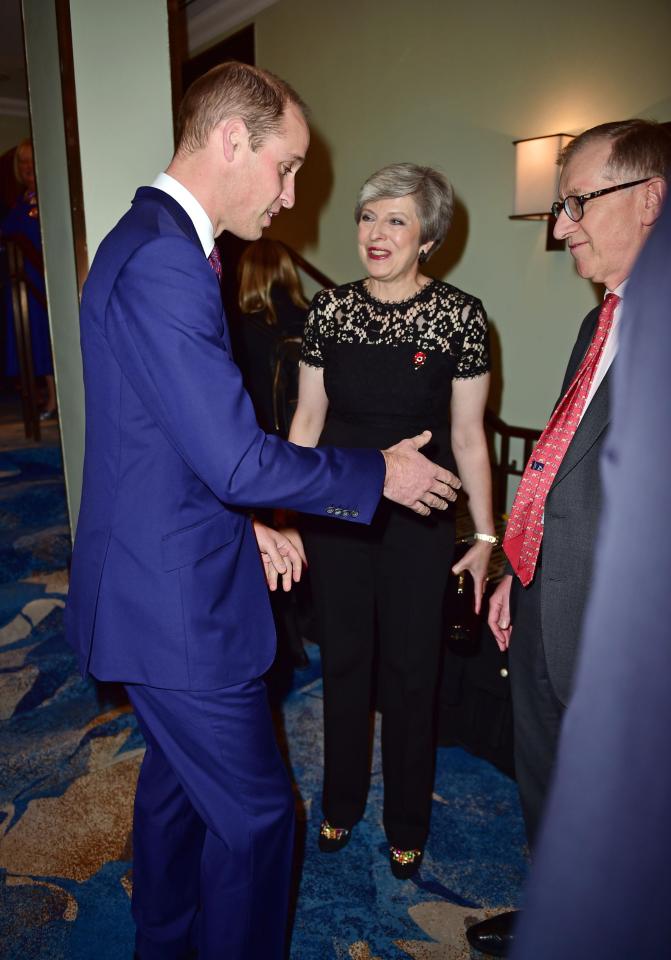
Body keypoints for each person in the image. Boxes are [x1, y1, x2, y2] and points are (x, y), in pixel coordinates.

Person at [64, 62, 461, 960]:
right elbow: (238, 452)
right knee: (256, 818)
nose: (291, 195)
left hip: (160, 570)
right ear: (231, 139)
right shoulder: (168, 255)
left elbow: (169, 434)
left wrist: (248, 516)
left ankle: (163, 940)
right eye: (286, 167)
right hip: (171, 602)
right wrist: (377, 476)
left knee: (177, 787)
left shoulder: (149, 236)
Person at [466, 120, 669, 957]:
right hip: (549, 596)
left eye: (576, 202)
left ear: (650, 197)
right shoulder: (601, 323)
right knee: (549, 780)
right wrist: (520, 569)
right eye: (558, 207)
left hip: (625, 627)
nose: (559, 226)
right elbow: (557, 457)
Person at [288, 162, 496, 879]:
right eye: (368, 217)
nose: (375, 234)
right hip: (339, 511)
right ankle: (340, 804)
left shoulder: (460, 316)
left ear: (428, 236)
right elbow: (307, 418)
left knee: (413, 669)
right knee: (343, 662)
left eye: (396, 220)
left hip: (420, 518)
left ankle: (406, 818)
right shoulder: (330, 310)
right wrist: (283, 511)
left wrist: (485, 536)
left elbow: (469, 435)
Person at [1, 139, 57, 419]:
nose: (26, 167)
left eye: (30, 160)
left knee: (47, 340)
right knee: (31, 341)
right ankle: (40, 396)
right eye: (21, 162)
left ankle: (53, 399)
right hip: (24, 284)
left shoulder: (49, 198)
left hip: (44, 284)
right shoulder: (21, 201)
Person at [235, 237, 307, 432]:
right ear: (289, 271)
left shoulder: (239, 327)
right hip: (309, 431)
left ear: (247, 275)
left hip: (261, 433)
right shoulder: (314, 317)